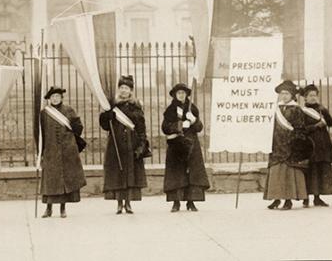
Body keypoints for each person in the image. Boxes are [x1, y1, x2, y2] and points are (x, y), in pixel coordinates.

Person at [99, 74, 149, 214]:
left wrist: (141, 145)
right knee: (117, 174)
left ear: (131, 90)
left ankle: (128, 203)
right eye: (121, 88)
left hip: (131, 144)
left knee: (129, 174)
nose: (123, 91)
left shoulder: (136, 106)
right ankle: (119, 203)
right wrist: (106, 117)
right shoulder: (111, 105)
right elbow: (105, 126)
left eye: (126, 88)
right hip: (115, 145)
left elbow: (141, 128)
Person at [39, 86, 87, 218]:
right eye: (53, 97)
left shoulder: (69, 110)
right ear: (49, 99)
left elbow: (78, 126)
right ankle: (48, 209)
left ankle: (62, 209)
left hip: (67, 150)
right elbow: (40, 133)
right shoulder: (44, 113)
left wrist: (70, 137)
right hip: (50, 151)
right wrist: (41, 151)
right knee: (50, 181)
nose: (55, 99)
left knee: (64, 182)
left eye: (57, 97)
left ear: (61, 98)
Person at [161, 82, 209, 212]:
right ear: (175, 95)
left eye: (183, 93)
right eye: (179, 93)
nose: (181, 95)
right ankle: (176, 202)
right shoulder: (170, 110)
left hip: (191, 143)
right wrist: (179, 125)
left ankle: (191, 202)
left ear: (187, 94)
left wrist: (193, 120)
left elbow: (199, 128)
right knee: (176, 173)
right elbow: (165, 127)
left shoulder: (192, 108)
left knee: (191, 173)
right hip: (176, 145)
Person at [264, 80, 309, 210]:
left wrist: (293, 142)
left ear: (292, 96)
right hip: (276, 145)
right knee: (276, 172)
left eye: (287, 94)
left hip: (289, 146)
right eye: (282, 93)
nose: (284, 96)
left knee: (288, 173)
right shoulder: (276, 109)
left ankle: (288, 200)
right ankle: (276, 198)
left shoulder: (296, 109)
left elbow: (300, 129)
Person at [299, 84, 332, 207]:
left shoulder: (321, 110)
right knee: (310, 171)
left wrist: (325, 112)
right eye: (310, 96)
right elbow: (301, 129)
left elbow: (331, 123)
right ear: (305, 98)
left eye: (315, 95)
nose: (313, 98)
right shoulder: (302, 111)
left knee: (320, 170)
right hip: (309, 145)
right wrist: (315, 126)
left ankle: (317, 197)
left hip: (323, 144)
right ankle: (306, 198)